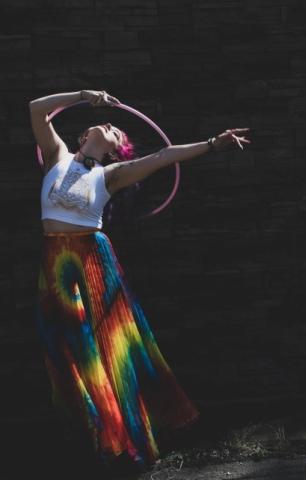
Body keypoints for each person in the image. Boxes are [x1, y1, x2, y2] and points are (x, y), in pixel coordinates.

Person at [29, 89, 251, 472]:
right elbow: (35, 109)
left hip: (92, 260)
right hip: (55, 263)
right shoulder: (56, 155)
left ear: (115, 152)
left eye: (118, 133)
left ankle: (122, 439)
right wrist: (85, 93)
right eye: (109, 125)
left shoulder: (110, 175)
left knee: (108, 346)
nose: (113, 127)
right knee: (68, 351)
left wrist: (214, 144)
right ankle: (95, 434)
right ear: (82, 136)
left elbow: (165, 157)